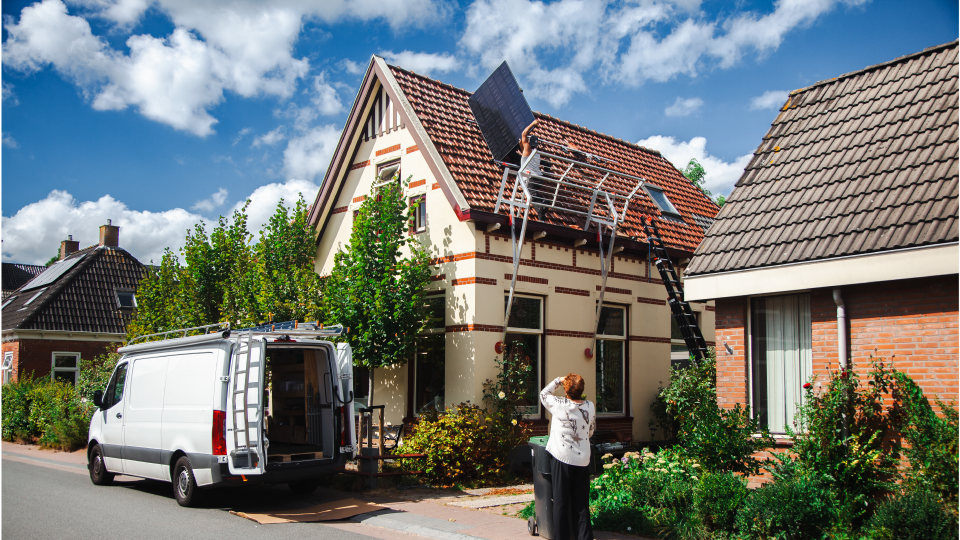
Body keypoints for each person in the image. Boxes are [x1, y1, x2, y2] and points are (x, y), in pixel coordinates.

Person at [541, 373, 596, 540]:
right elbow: (591, 430)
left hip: (562, 458)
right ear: (582, 390)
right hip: (583, 459)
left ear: (566, 391)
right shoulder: (590, 406)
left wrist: (558, 380)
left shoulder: (559, 404)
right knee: (581, 504)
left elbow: (544, 394)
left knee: (560, 502)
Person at [518, 118, 544, 203]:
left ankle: (541, 201)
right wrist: (522, 147)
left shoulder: (528, 148)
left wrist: (533, 123)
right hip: (539, 179)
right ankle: (542, 200)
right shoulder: (537, 153)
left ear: (529, 142)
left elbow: (524, 133)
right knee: (533, 193)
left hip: (531, 178)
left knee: (532, 197)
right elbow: (526, 157)